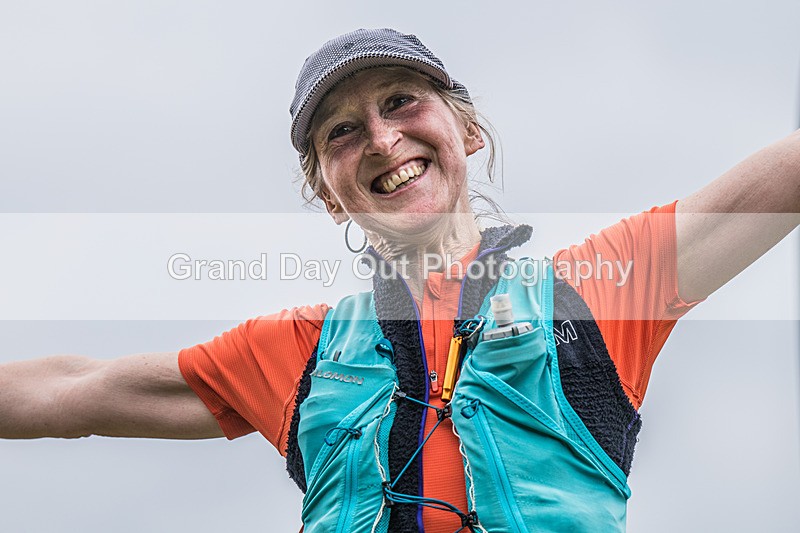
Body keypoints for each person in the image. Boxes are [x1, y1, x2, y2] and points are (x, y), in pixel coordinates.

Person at [1, 27, 798, 532]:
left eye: (401, 101)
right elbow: (75, 390)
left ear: (468, 129)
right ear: (326, 190)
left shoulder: (595, 293)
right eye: (343, 132)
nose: (382, 139)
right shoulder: (298, 351)